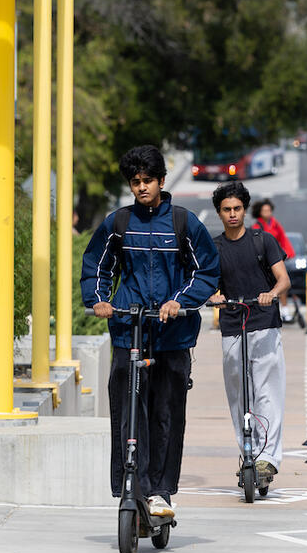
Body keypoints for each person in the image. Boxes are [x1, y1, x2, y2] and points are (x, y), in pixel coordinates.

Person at [81, 145, 220, 518]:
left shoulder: (183, 223)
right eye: (135, 182)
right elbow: (97, 265)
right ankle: (130, 485)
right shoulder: (118, 223)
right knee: (127, 411)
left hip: (173, 335)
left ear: (161, 181)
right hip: (129, 329)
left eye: (147, 181)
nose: (141, 187)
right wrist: (98, 300)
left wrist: (180, 301)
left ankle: (160, 492)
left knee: (166, 413)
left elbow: (206, 270)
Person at [210, 181, 291, 485]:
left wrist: (271, 292)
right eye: (226, 210)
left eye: (237, 209)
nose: (232, 214)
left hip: (264, 323)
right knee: (238, 396)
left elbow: (283, 279)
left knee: (267, 392)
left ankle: (268, 459)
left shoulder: (263, 241)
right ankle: (248, 453)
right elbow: (209, 283)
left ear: (245, 209)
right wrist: (215, 296)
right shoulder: (215, 248)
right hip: (232, 325)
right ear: (219, 213)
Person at [251, 198, 295, 321]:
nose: (267, 213)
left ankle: (285, 310)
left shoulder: (275, 224)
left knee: (282, 283)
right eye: (264, 210)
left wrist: (288, 253)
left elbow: (283, 239)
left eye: (269, 210)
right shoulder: (256, 227)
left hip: (274, 259)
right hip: (262, 262)